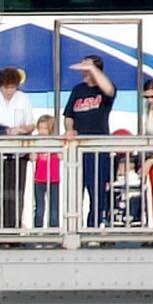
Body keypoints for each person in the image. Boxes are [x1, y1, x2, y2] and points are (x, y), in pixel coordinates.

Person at [0, 67, 35, 233]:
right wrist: (4, 130)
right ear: (0, 85)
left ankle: (15, 229)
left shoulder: (23, 98)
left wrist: (21, 129)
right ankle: (0, 230)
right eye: (6, 87)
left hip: (19, 153)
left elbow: (31, 124)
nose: (9, 91)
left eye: (13, 87)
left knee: (17, 194)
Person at [63, 54, 116, 228]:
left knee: (97, 191)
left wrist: (92, 67)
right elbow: (69, 115)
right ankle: (73, 228)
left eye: (87, 69)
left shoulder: (104, 88)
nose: (83, 72)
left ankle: (93, 227)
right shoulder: (78, 89)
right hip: (78, 149)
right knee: (74, 190)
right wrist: (69, 130)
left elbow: (109, 90)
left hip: (98, 148)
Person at [31, 115, 62, 230]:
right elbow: (32, 157)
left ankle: (54, 230)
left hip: (54, 179)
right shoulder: (36, 141)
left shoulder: (56, 141)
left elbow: (61, 156)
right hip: (39, 179)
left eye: (44, 128)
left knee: (54, 209)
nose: (42, 131)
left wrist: (54, 147)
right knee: (39, 208)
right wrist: (35, 146)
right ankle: (38, 230)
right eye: (40, 128)